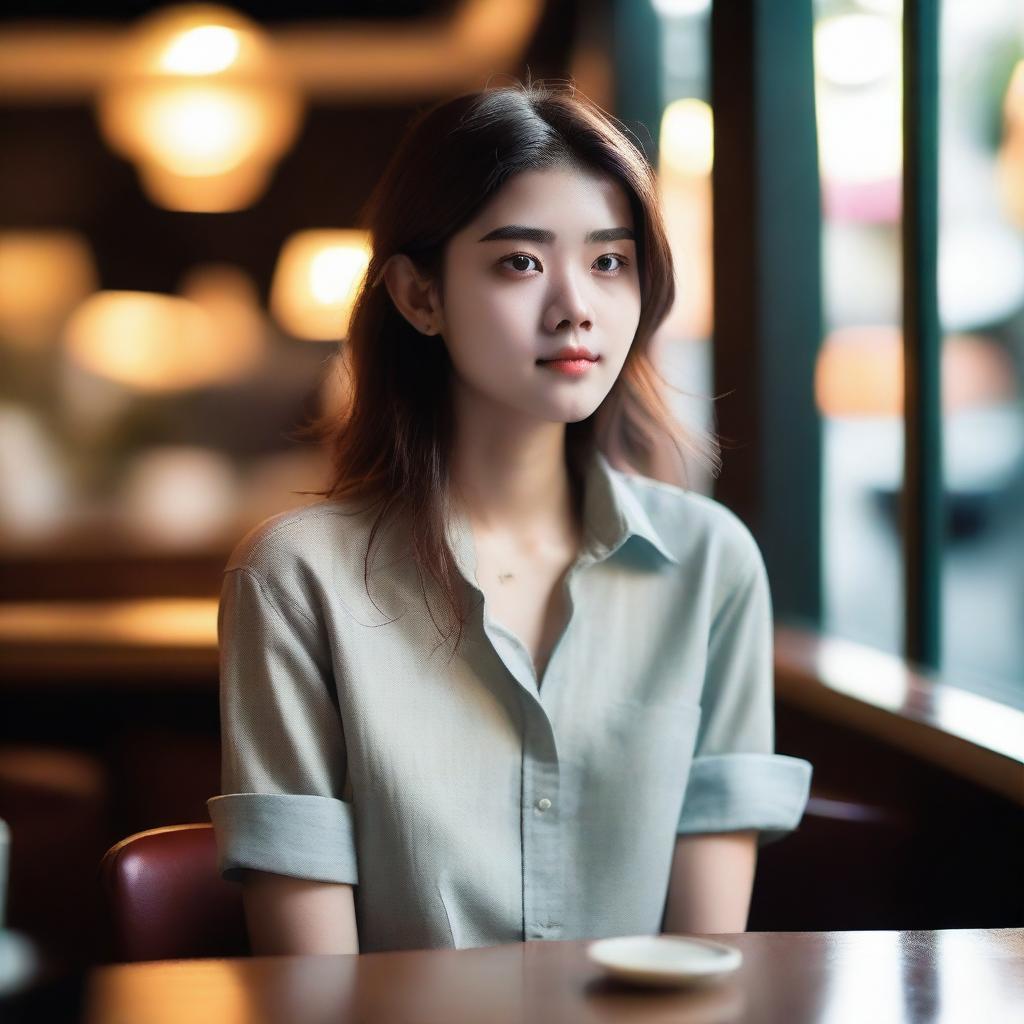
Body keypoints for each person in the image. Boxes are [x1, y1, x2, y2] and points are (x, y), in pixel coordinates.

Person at [206, 79, 813, 956]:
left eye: (609, 261)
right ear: (419, 296)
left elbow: (699, 963)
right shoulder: (298, 577)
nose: (576, 306)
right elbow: (315, 987)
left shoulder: (709, 563)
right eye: (520, 261)